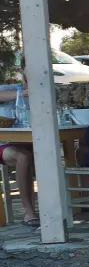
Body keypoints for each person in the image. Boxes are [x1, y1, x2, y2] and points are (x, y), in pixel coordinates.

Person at [0, 75, 37, 226]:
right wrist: (25, 93)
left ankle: (67, 205)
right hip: (4, 143)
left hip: (29, 140)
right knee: (23, 157)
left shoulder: (42, 94)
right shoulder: (11, 89)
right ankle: (29, 211)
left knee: (47, 156)